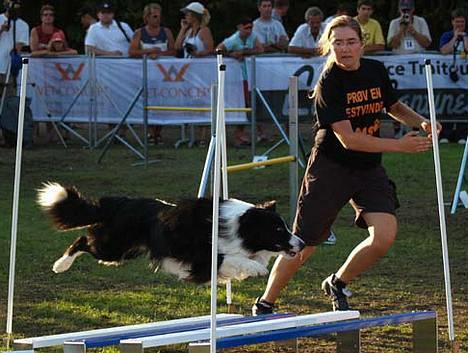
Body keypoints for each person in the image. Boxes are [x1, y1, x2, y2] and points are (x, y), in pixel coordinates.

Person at [252, 15, 440, 315]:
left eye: (351, 42)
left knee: (384, 237)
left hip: (368, 169)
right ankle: (266, 301)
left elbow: (392, 107)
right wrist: (400, 146)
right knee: (303, 244)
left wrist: (422, 121)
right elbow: (349, 140)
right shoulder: (330, 83)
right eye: (337, 43)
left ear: (362, 44)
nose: (345, 48)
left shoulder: (376, 70)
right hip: (330, 168)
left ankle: (338, 282)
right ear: (329, 46)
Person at [129, 3, 176, 145]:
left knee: (162, 103)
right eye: (154, 16)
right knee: (147, 102)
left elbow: (173, 51)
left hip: (163, 76)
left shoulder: (166, 32)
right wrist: (149, 52)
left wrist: (160, 53)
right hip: (145, 74)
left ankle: (158, 132)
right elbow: (132, 52)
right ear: (147, 17)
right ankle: (150, 133)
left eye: (159, 16)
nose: (157, 19)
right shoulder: (139, 33)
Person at [217, 17, 264, 147]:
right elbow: (218, 50)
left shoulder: (253, 37)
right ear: (239, 27)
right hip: (238, 78)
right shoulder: (233, 40)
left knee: (251, 104)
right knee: (244, 105)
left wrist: (243, 52)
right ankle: (239, 134)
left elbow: (260, 49)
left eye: (251, 27)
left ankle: (253, 133)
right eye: (246, 28)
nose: (249, 30)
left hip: (250, 77)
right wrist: (231, 55)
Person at [175, 2, 214, 146]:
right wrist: (183, 29)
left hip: (201, 71)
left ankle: (203, 136)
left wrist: (198, 53)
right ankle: (190, 135)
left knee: (203, 101)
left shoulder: (204, 31)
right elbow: (177, 47)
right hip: (189, 72)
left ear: (195, 16)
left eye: (188, 14)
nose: (186, 16)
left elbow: (210, 48)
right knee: (191, 100)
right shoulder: (188, 31)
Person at [439, 8, 468, 144]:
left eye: (462, 22)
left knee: (464, 104)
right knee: (448, 104)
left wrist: (464, 38)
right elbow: (444, 51)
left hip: (465, 79)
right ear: (452, 22)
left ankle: (462, 134)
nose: (459, 25)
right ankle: (445, 134)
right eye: (457, 22)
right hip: (448, 78)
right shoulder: (447, 35)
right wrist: (455, 37)